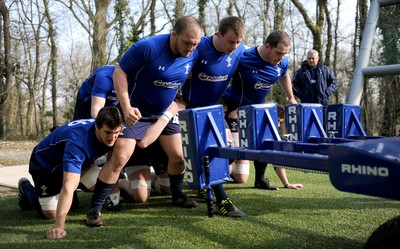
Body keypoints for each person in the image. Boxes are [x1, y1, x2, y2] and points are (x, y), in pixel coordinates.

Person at [85, 16, 202, 227]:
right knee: (120, 157)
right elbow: (120, 72)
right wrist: (126, 106)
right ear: (173, 34)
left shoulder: (195, 52)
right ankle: (95, 209)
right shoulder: (148, 47)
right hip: (136, 111)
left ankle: (177, 195)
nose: (190, 48)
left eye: (195, 44)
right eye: (187, 42)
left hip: (163, 112)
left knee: (177, 157)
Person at [17, 106, 124, 240]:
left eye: (116, 133)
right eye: (108, 132)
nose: (112, 137)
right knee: (51, 213)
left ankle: (71, 198)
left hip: (76, 163)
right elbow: (68, 185)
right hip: (46, 166)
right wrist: (59, 226)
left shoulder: (117, 131)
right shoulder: (78, 142)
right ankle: (26, 189)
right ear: (97, 127)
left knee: (103, 185)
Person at [180, 16, 246, 218]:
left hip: (215, 111)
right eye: (230, 41)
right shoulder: (199, 48)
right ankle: (222, 199)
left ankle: (206, 186)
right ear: (218, 35)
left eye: (238, 41)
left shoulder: (240, 51)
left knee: (226, 154)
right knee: (205, 154)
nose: (234, 46)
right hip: (190, 111)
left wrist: (232, 104)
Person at [222, 30, 299, 190]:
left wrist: (290, 97)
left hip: (257, 113)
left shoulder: (282, 62)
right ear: (268, 46)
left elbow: (284, 75)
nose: (281, 58)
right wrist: (229, 107)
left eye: (284, 54)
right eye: (278, 53)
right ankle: (210, 179)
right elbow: (222, 77)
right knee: (234, 151)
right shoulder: (243, 57)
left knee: (264, 144)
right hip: (235, 110)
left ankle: (260, 179)